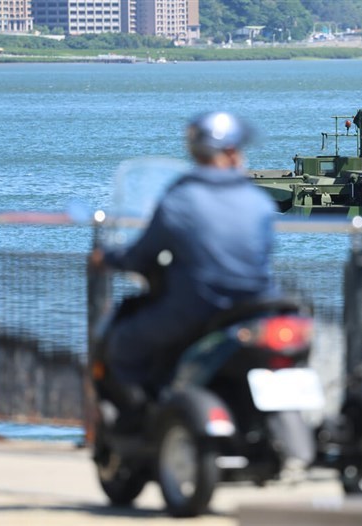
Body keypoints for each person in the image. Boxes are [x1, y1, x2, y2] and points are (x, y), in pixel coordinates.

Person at [91, 111, 279, 418]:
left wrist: (107, 258)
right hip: (259, 307)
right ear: (233, 152)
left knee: (123, 344)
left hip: (198, 308)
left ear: (195, 150)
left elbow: (140, 256)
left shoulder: (181, 199)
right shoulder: (259, 201)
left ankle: (144, 422)